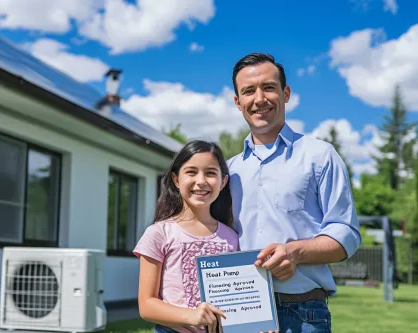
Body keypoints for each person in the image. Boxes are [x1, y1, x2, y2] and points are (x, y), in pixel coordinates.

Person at [227, 53, 362, 333]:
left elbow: (346, 233)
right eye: (248, 91)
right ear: (238, 102)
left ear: (285, 93)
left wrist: (295, 253)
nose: (259, 98)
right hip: (242, 314)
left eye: (269, 87)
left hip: (303, 316)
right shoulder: (228, 171)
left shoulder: (321, 156)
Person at [133, 140, 242, 333]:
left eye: (210, 173)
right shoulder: (159, 233)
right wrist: (190, 316)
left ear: (223, 181)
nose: (201, 181)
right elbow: (146, 305)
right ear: (176, 179)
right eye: (191, 172)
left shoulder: (232, 238)